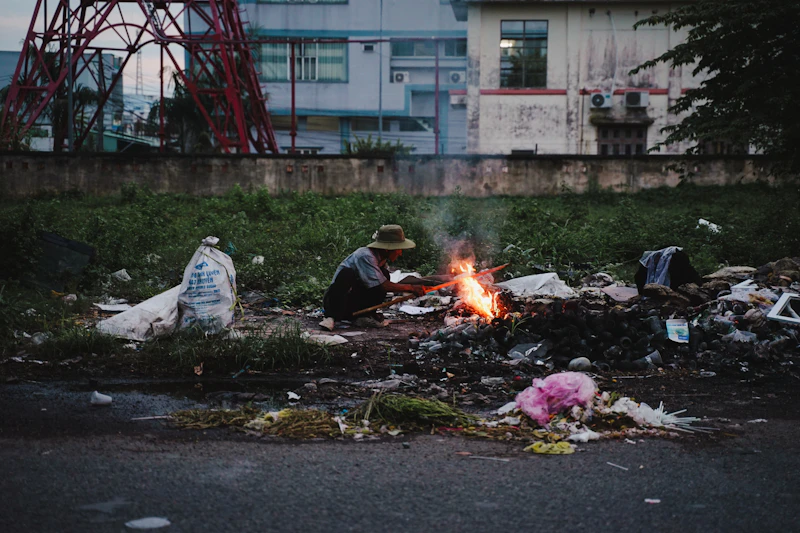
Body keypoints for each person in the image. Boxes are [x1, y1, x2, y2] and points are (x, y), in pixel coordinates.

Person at [322, 224, 426, 328]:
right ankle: (331, 316)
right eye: (398, 249)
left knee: (384, 274)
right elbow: (383, 285)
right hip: (336, 301)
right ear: (387, 249)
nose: (400, 253)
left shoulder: (381, 260)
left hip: (353, 304)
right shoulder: (365, 256)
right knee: (347, 274)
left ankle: (363, 315)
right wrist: (411, 288)